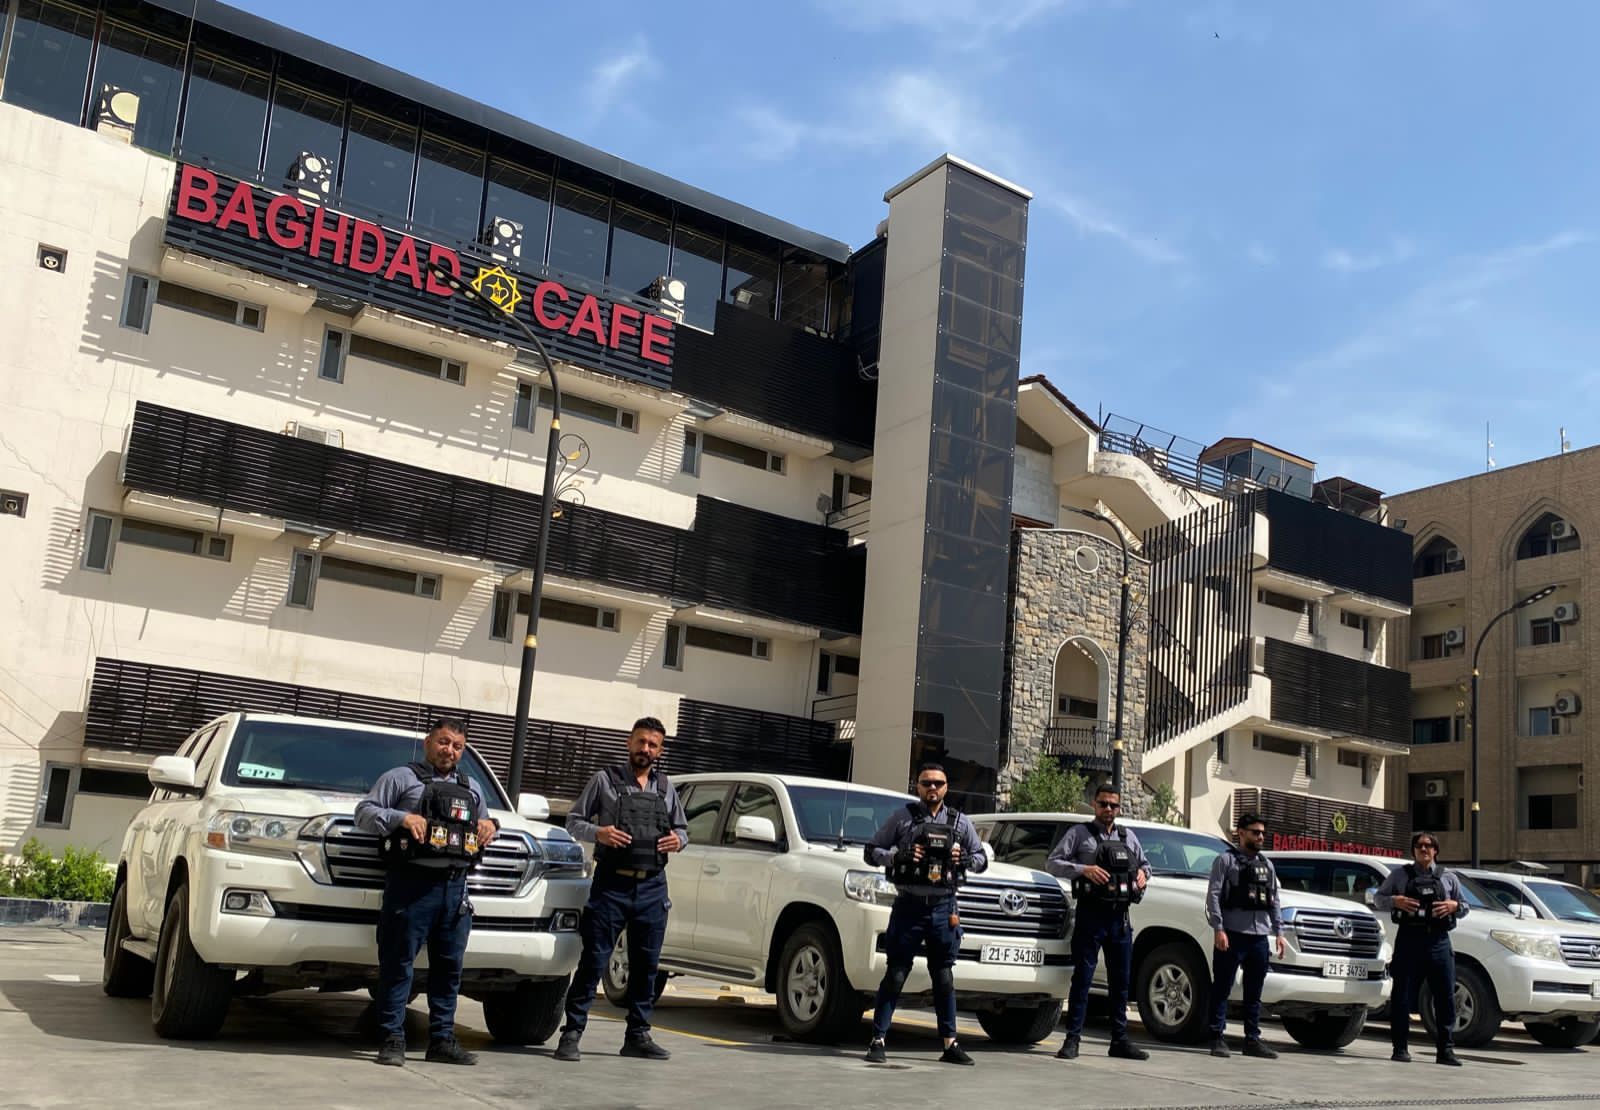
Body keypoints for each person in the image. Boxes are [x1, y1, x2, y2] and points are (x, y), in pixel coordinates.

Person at [355, 718, 499, 1067]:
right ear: (428, 742)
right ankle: (391, 1038)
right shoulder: (400, 778)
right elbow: (364, 813)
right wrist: (401, 819)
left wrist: (489, 825)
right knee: (397, 964)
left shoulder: (472, 786)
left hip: (455, 888)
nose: (449, 750)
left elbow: (491, 822)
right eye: (444, 742)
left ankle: (443, 1040)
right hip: (411, 885)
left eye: (457, 746)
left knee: (449, 969)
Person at [554, 717, 688, 1063]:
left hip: (652, 887)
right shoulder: (605, 780)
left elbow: (683, 830)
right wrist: (599, 833)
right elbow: (573, 821)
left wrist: (679, 840)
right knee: (594, 960)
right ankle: (571, 1034)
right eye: (641, 742)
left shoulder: (665, 786)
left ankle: (638, 1035)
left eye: (653, 745)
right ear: (630, 742)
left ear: (660, 750)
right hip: (611, 884)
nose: (646, 749)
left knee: (647, 965)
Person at [862, 761, 987, 1066]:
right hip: (909, 906)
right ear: (916, 786)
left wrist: (964, 858)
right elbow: (871, 851)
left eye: (939, 783)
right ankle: (878, 1039)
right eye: (926, 783)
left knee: (943, 977)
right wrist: (897, 857)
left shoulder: (960, 822)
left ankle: (950, 1043)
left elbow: (982, 859)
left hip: (944, 909)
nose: (933, 788)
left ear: (947, 787)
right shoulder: (902, 818)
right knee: (896, 974)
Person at [1048, 783, 1151, 1062]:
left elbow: (1145, 865)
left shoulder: (1127, 837)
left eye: (1113, 805)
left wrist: (1143, 874)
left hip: (1120, 918)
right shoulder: (1079, 834)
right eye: (1103, 804)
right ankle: (1072, 1040)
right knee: (1083, 978)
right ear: (1094, 804)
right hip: (1091, 915)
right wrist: (1084, 869)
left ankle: (1120, 1040)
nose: (1108, 809)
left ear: (1119, 808)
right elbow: (1053, 863)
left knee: (1121, 981)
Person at [1373, 831, 1468, 1066]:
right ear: (1413, 850)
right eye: (1418, 846)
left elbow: (1466, 907)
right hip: (1409, 939)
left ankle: (1445, 1050)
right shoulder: (1399, 875)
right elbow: (1377, 898)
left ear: (1435, 850)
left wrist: (1454, 905)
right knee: (1402, 995)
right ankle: (1400, 1048)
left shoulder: (1449, 878)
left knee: (1445, 996)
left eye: (1428, 845)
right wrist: (1396, 901)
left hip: (1439, 941)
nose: (1423, 849)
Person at [1204, 812, 1285, 1059]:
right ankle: (1217, 1037)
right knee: (1222, 987)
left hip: (1259, 937)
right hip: (1232, 934)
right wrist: (1219, 928)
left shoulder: (1267, 865)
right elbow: (1213, 896)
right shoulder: (1225, 861)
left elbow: (1274, 900)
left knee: (1254, 991)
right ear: (1241, 833)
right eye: (1255, 832)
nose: (1260, 837)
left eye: (1262, 833)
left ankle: (1252, 1039)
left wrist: (1279, 932)